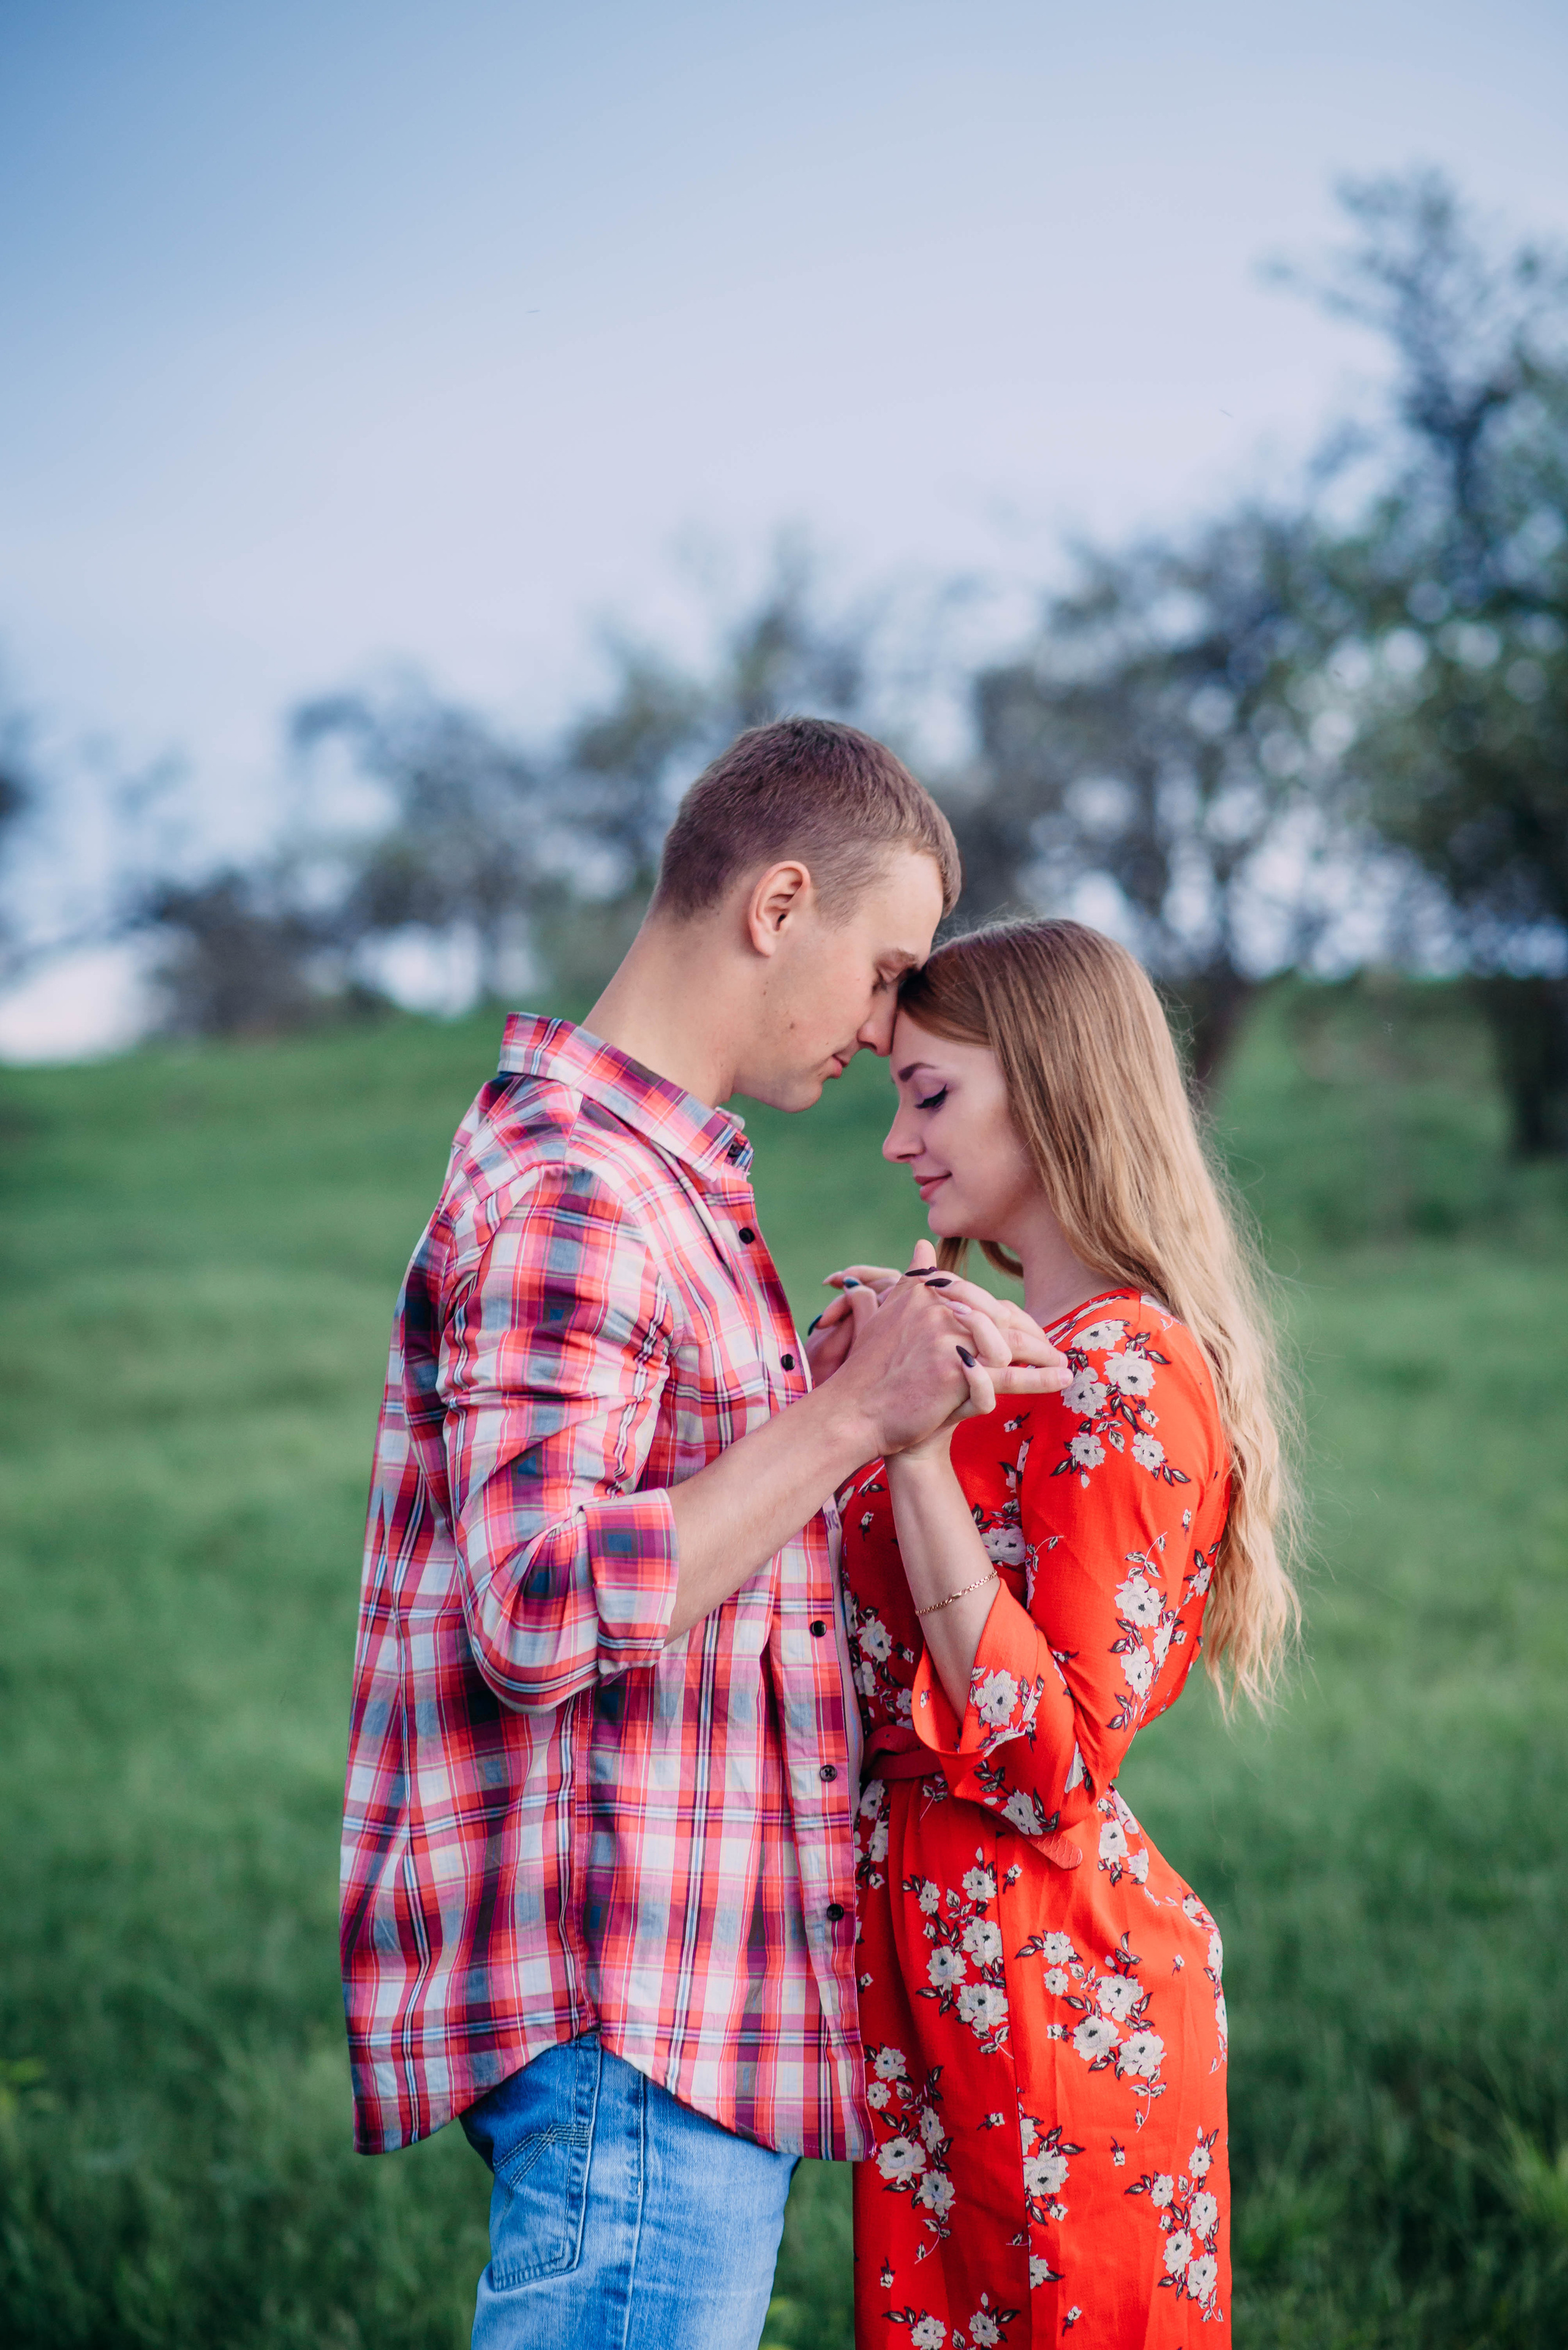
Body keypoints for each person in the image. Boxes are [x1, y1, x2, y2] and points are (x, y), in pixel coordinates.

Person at [339, 719, 1068, 2350]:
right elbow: (534, 1604)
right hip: (634, 2015)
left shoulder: (645, 1178)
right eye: (885, 971)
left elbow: (641, 1516)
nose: (889, 1029)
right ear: (779, 902)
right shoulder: (580, 1188)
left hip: (676, 2004)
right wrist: (845, 1420)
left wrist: (824, 1397)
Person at [815, 918, 1298, 2349]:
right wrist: (840, 1388)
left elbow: (1051, 1759)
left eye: (929, 1091)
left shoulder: (1126, 1369)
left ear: (1049, 1079)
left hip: (1048, 1981)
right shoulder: (1003, 1355)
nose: (900, 1140)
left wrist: (905, 1449)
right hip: (933, 1974)